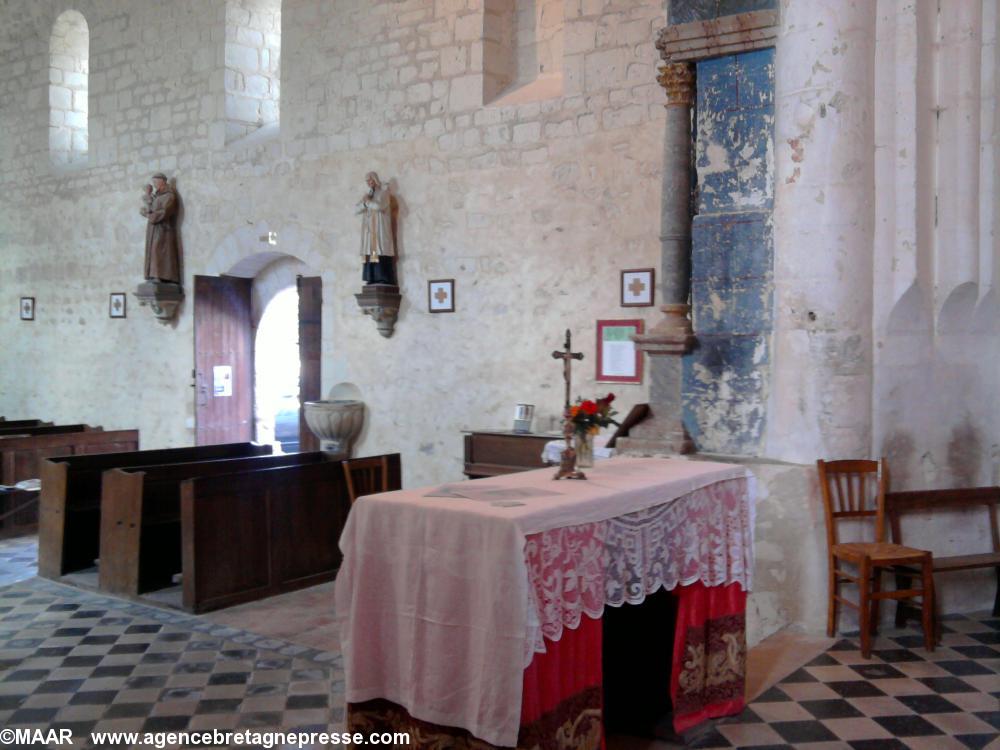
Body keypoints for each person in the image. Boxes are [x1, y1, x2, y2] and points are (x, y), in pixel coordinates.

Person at [356, 172, 397, 285]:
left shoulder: (384, 193)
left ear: (375, 180)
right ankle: (371, 277)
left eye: (371, 180)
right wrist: (365, 203)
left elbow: (379, 206)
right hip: (369, 231)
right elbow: (355, 210)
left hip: (380, 231)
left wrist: (367, 202)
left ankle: (383, 277)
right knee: (370, 252)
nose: (369, 183)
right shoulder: (368, 195)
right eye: (367, 181)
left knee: (380, 251)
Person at [140, 172, 180, 284]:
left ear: (162, 181)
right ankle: (153, 276)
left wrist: (148, 215)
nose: (154, 185)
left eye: (155, 182)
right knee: (153, 252)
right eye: (153, 182)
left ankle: (161, 276)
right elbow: (151, 208)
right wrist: (146, 209)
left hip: (163, 231)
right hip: (153, 230)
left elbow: (164, 212)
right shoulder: (157, 196)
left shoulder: (170, 196)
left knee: (158, 252)